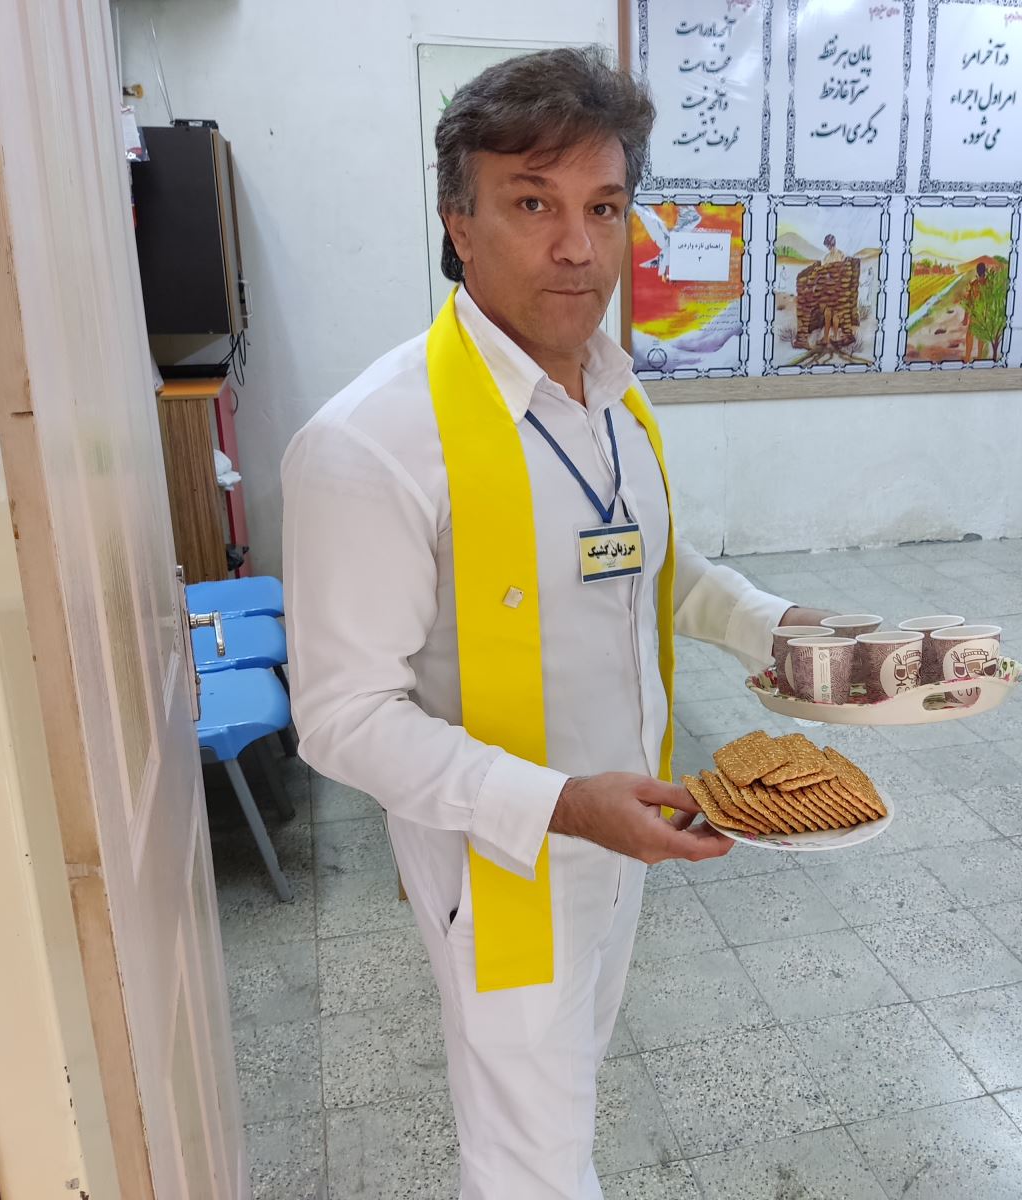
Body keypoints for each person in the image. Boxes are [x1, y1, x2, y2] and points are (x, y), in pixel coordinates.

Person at [281, 47, 827, 1200]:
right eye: (533, 204)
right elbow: (340, 718)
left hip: (626, 831)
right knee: (530, 1163)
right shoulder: (371, 442)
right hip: (502, 860)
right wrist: (566, 806)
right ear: (459, 224)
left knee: (562, 1102)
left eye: (604, 207)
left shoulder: (611, 393)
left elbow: (642, 567)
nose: (578, 246)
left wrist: (777, 627)